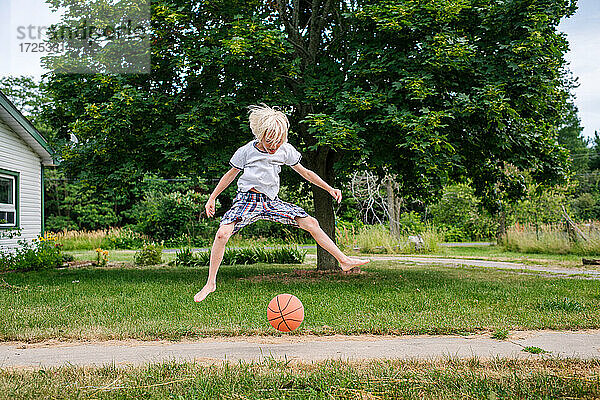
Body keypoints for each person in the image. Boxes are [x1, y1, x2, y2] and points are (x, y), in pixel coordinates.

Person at [194, 104, 370, 302]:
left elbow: (306, 173)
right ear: (260, 135)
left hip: (271, 201)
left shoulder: (285, 151)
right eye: (269, 142)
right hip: (247, 200)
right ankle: (211, 283)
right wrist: (212, 197)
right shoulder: (246, 152)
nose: (273, 147)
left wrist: (329, 188)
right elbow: (230, 176)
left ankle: (343, 260)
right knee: (222, 234)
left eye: (278, 142)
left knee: (311, 223)